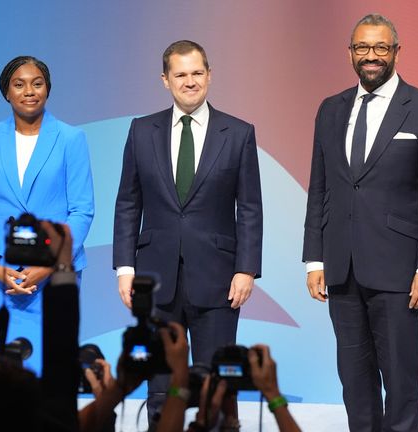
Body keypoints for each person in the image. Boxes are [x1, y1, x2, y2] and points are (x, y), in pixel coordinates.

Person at [302, 13, 418, 431]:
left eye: (381, 48)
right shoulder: (330, 109)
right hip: (342, 268)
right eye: (363, 48)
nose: (372, 56)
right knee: (354, 382)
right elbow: (320, 187)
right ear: (351, 52)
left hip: (401, 271)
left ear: (396, 52)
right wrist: (314, 258)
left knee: (402, 382)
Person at [113, 40, 263, 422]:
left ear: (209, 75)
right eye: (181, 74)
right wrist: (125, 269)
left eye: (197, 73)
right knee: (161, 382)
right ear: (165, 80)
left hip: (218, 279)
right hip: (156, 279)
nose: (190, 81)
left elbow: (249, 207)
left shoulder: (239, 133)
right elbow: (129, 202)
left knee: (215, 381)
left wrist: (246, 269)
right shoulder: (141, 130)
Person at [0, 55, 94, 373]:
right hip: (2, 278)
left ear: (48, 89)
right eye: (19, 84)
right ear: (6, 92)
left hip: (56, 275)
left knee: (52, 370)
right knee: (7, 374)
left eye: (37, 83)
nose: (29, 91)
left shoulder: (70, 138)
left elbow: (82, 210)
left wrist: (49, 262)